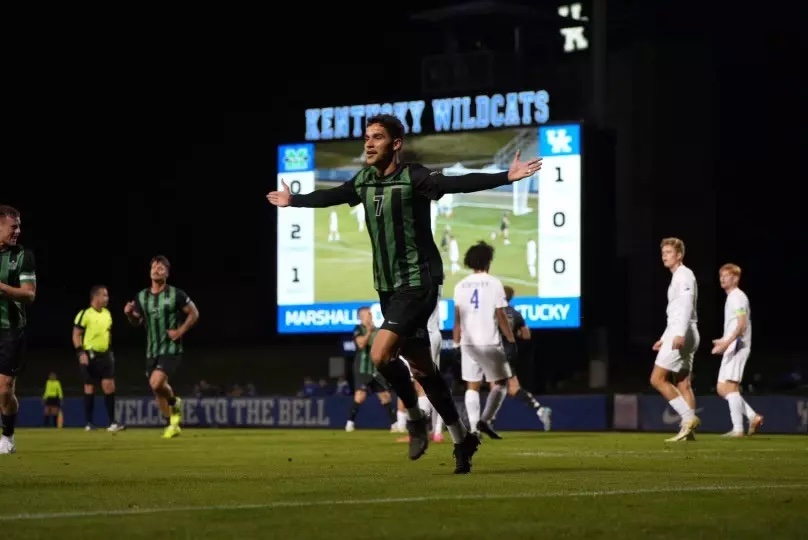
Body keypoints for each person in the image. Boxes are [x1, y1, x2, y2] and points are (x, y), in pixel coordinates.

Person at [267, 114, 542, 474]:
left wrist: (505, 176)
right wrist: (295, 200)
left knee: (381, 355)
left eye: (377, 137)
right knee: (423, 368)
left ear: (395, 143)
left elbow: (458, 183)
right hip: (388, 286)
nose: (368, 143)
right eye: (366, 137)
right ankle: (462, 438)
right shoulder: (364, 180)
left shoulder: (415, 178)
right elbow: (331, 195)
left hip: (419, 282)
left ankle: (414, 418)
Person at [124, 256, 199, 439]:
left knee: (156, 382)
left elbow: (194, 313)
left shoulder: (176, 294)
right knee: (157, 389)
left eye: (161, 267)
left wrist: (179, 332)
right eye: (154, 267)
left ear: (167, 273)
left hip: (171, 348)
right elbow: (137, 321)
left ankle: (174, 402)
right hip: (151, 350)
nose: (157, 269)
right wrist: (129, 315)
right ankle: (171, 423)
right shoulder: (141, 296)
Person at [452, 241, 518, 440]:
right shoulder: (494, 283)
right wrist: (511, 339)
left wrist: (456, 343)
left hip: (468, 343)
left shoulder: (460, 285)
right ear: (488, 261)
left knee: (472, 385)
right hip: (489, 341)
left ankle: (473, 429)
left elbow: (457, 319)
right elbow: (501, 315)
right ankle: (486, 419)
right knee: (501, 383)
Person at [651, 238, 700, 442]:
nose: (665, 255)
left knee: (657, 379)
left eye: (669, 252)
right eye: (663, 252)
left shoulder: (684, 275)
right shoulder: (678, 277)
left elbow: (687, 305)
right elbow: (676, 311)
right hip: (684, 331)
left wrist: (679, 333)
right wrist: (664, 338)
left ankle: (688, 418)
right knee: (682, 383)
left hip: (684, 331)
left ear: (679, 255)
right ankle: (689, 433)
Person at [0, 205, 36, 455]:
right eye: (14, 226)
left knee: (4, 389)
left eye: (19, 226)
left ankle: (8, 436)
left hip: (11, 330)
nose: (18, 231)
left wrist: (1, 288)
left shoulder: (23, 255)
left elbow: (29, 295)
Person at [711, 263, 763, 436]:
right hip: (732, 345)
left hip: (738, 346)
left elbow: (742, 324)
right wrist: (724, 341)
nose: (722, 278)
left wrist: (727, 343)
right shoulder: (731, 297)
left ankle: (738, 428)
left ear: (736, 278)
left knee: (730, 386)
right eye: (721, 275)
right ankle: (752, 415)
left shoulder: (737, 297)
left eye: (726, 275)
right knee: (721, 388)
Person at [493, 285, 552, 431]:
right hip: (510, 352)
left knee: (505, 388)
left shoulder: (494, 312)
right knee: (505, 388)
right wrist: (515, 334)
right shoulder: (516, 313)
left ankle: (539, 409)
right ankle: (488, 421)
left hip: (496, 353)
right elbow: (527, 335)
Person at [73, 285, 125, 432]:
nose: (107, 298)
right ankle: (89, 423)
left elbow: (107, 334)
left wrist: (109, 351)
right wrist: (80, 353)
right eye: (104, 295)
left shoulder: (107, 314)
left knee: (109, 386)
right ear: (96, 297)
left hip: (105, 355)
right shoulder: (85, 314)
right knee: (90, 387)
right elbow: (76, 334)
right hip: (89, 355)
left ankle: (112, 423)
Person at [346, 306, 397, 432]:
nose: (370, 315)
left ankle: (395, 424)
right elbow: (361, 344)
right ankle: (350, 422)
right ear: (362, 317)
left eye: (370, 313)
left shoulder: (378, 330)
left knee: (385, 396)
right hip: (362, 369)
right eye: (368, 314)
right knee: (360, 396)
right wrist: (368, 332)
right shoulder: (358, 329)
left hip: (376, 369)